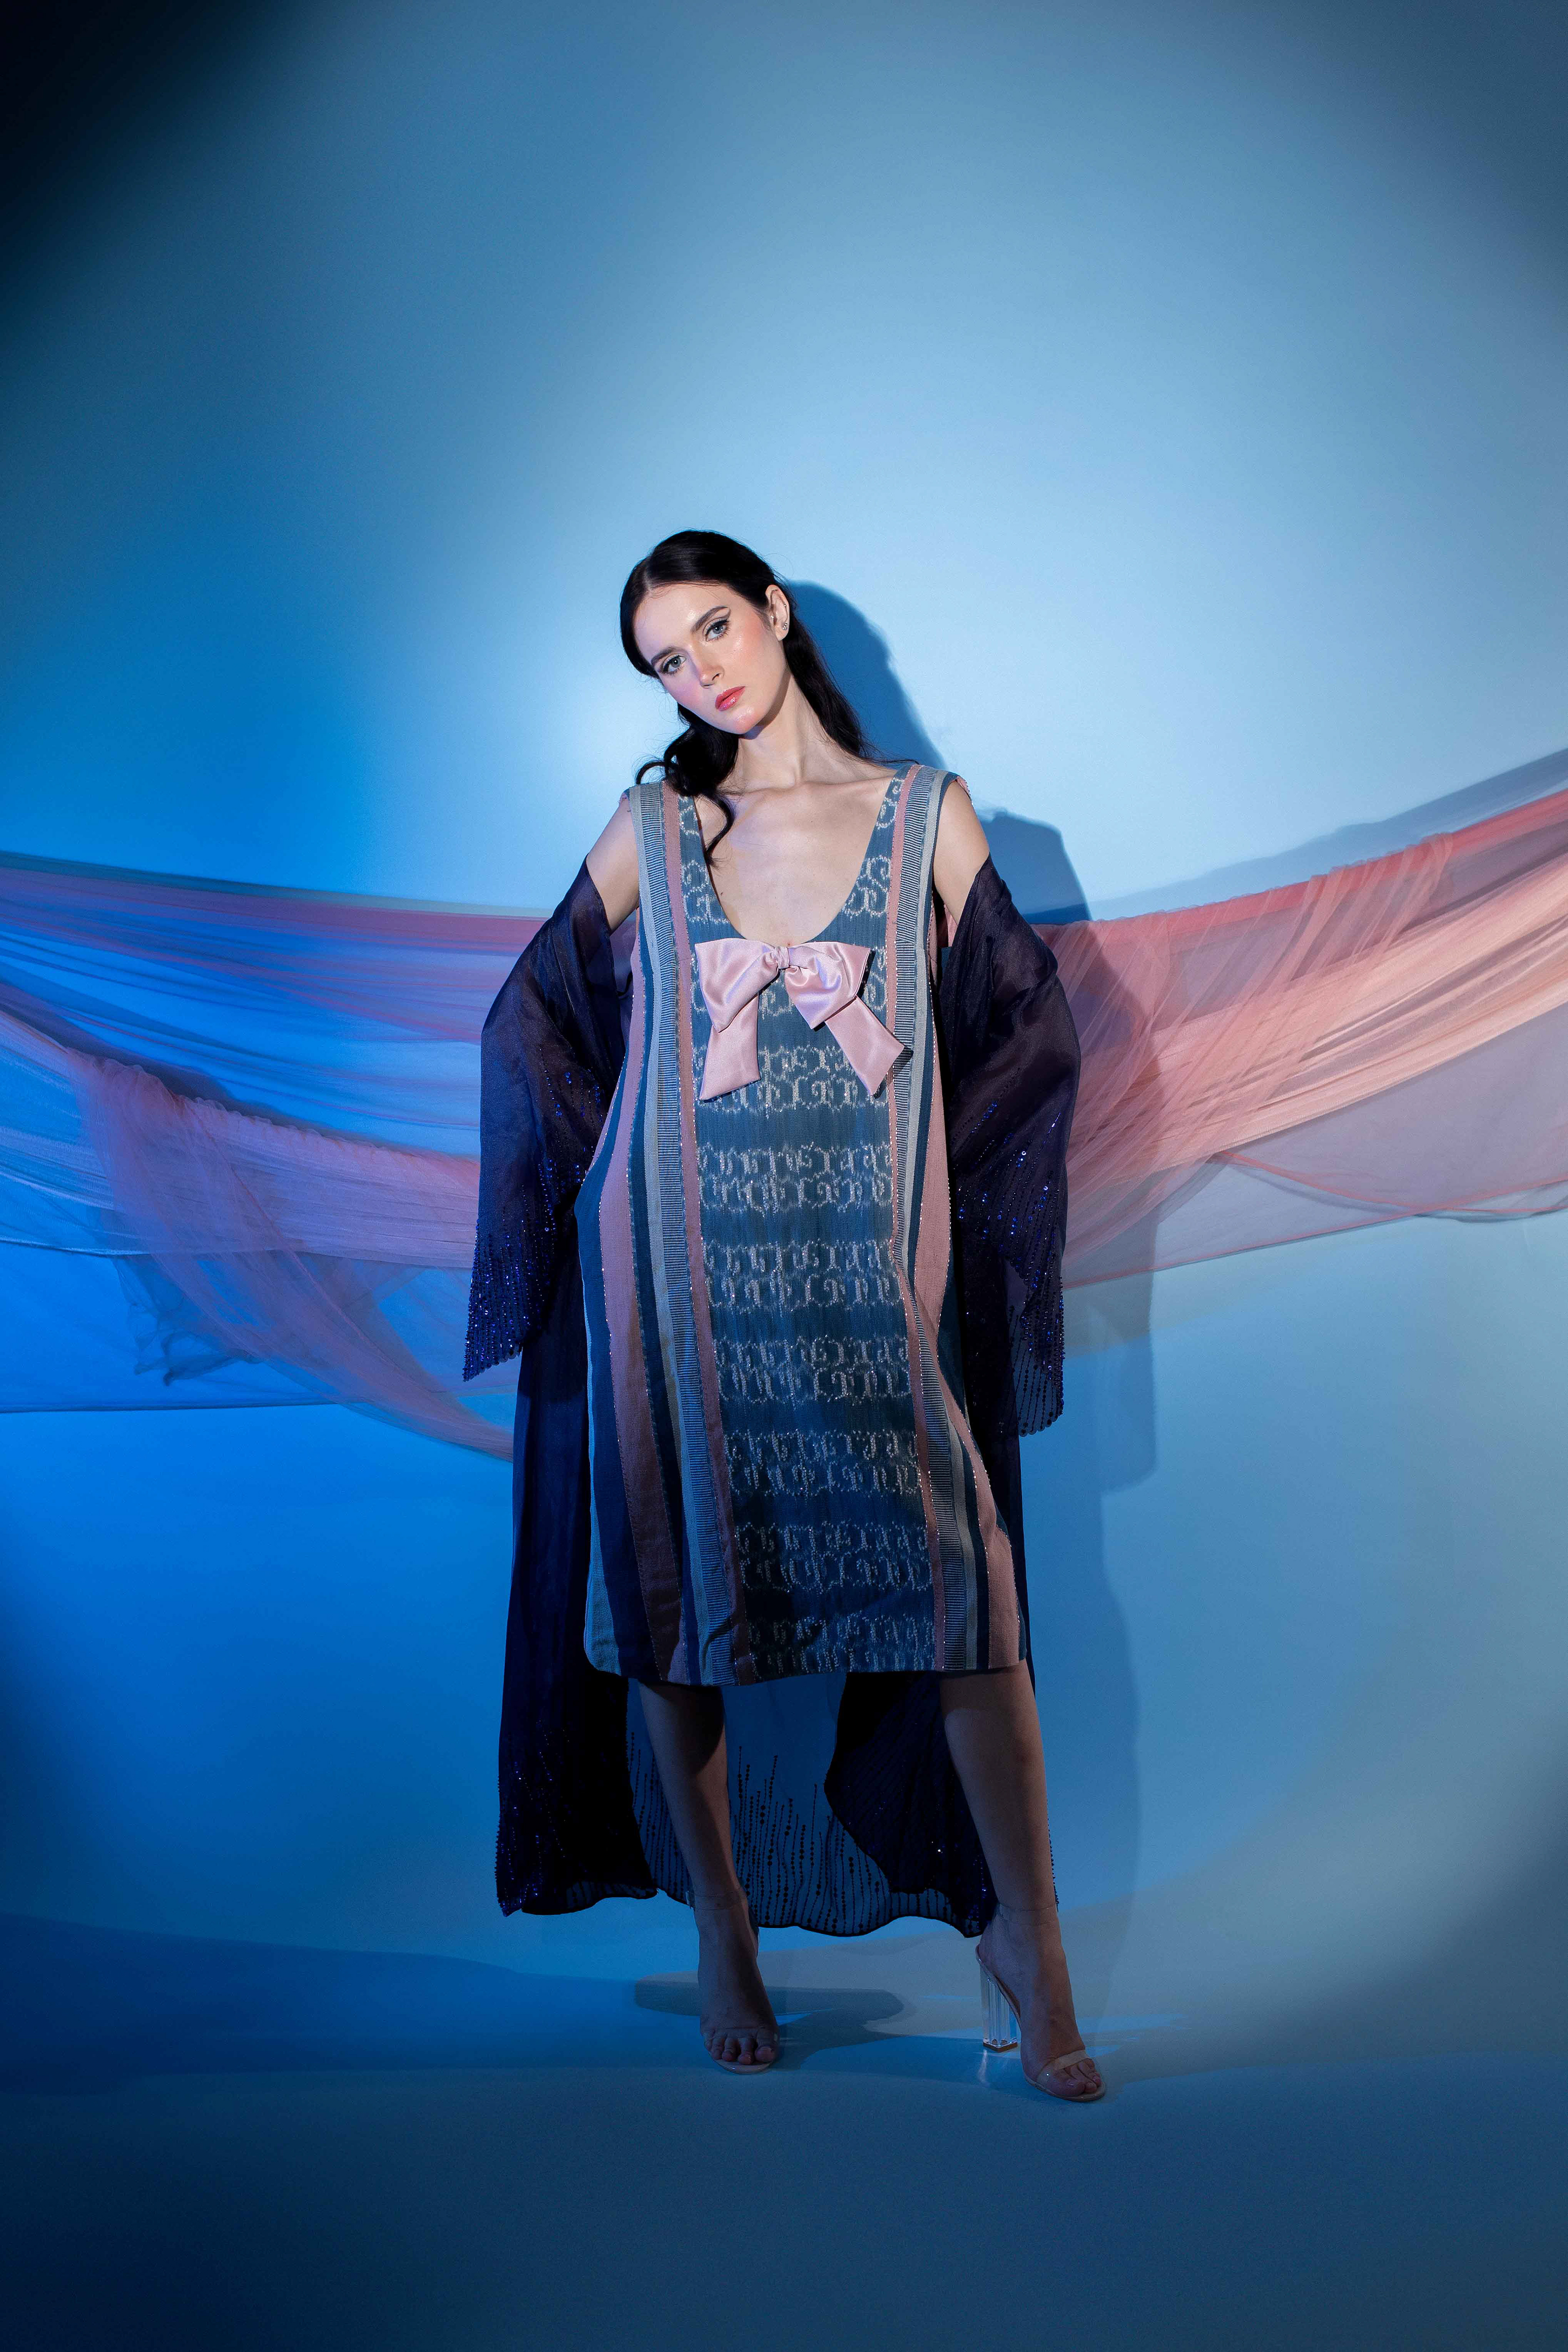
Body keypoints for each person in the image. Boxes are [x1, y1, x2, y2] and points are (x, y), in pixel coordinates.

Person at [465, 531, 1100, 2100]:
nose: (701, 674)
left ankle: (1030, 1947)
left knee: (967, 1599)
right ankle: (725, 1933)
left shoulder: (923, 815)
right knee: (675, 1600)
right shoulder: (661, 824)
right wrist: (606, 1175)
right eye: (666, 662)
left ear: (775, 613)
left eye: (712, 630)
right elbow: (528, 1012)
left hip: (866, 1274)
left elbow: (1034, 1028)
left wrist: (941, 1199)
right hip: (679, 1271)